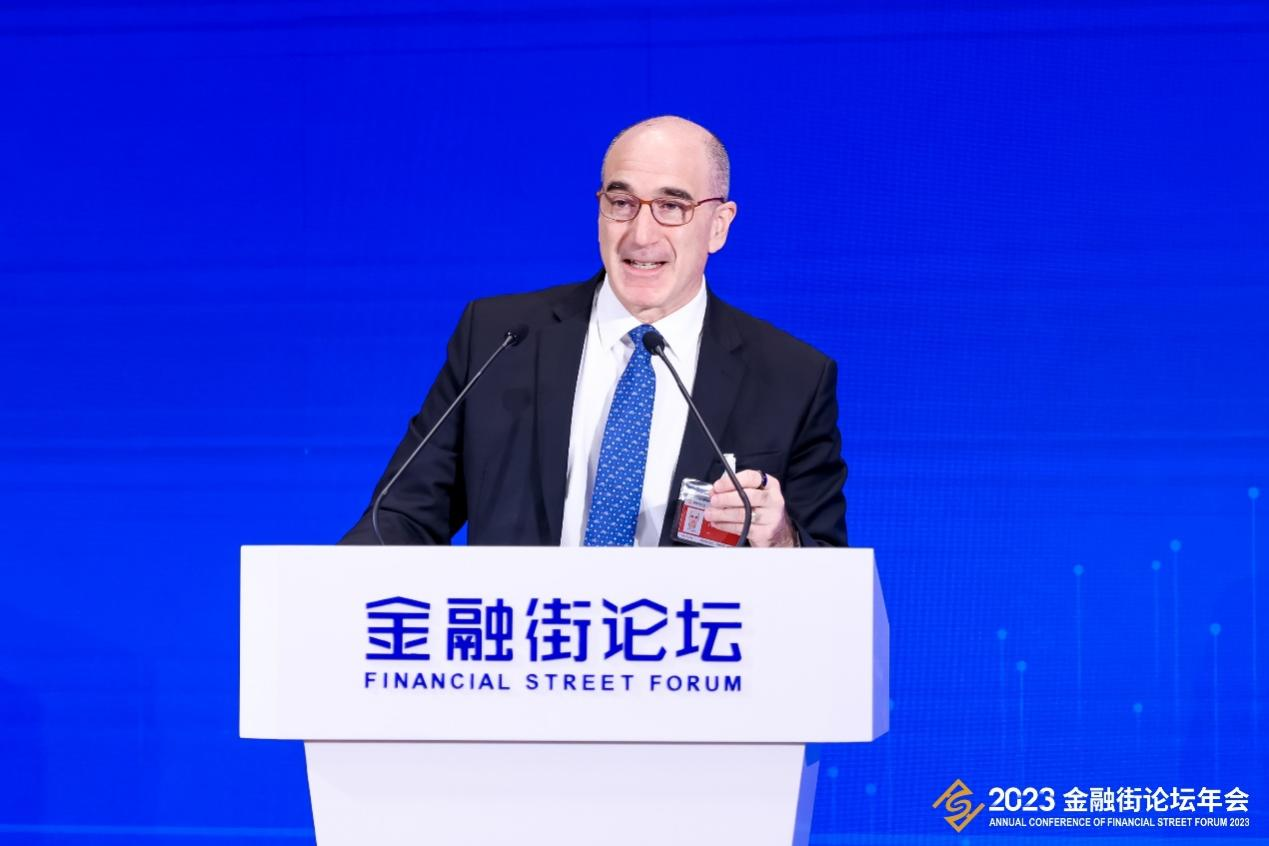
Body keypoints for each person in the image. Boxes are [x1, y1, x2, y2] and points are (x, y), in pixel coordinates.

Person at [342, 116, 846, 548]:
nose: (641, 235)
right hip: (530, 632)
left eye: (672, 207)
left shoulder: (792, 379)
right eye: (621, 202)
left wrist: (780, 537)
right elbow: (401, 516)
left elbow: (828, 574)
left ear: (719, 224)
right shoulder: (501, 338)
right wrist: (325, 599)